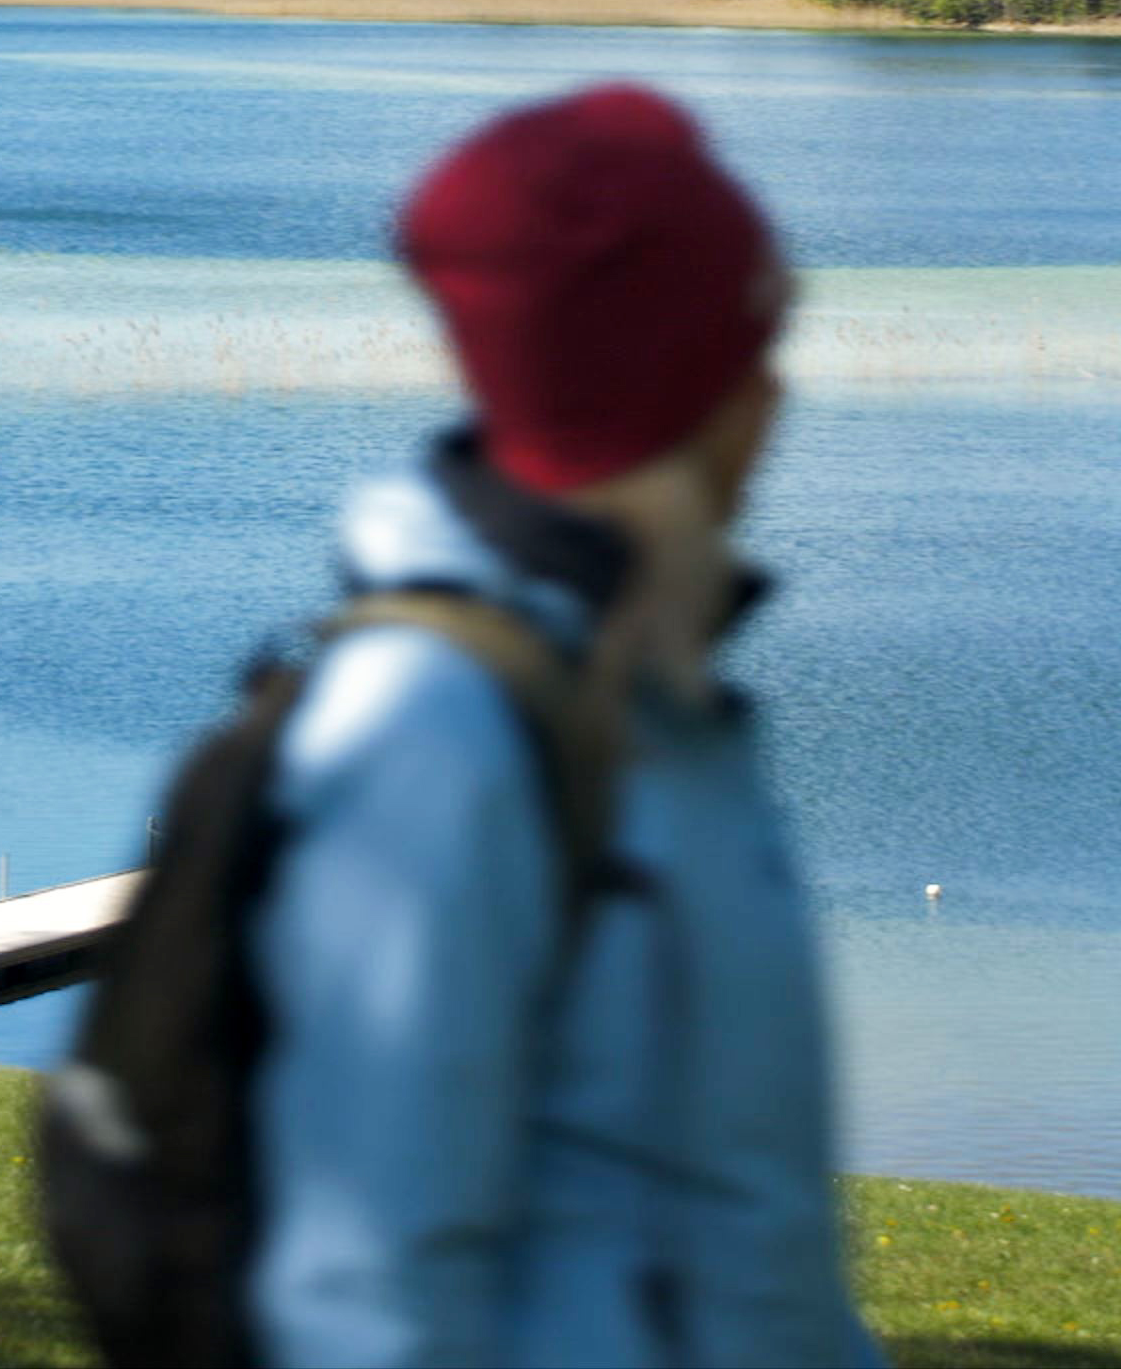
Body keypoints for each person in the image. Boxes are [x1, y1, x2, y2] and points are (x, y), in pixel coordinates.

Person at [245, 84, 879, 1367]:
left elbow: (742, 1238)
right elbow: (361, 1293)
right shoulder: (433, 732)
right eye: (756, 346)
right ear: (694, 392)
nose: (779, 393)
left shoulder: (652, 696)